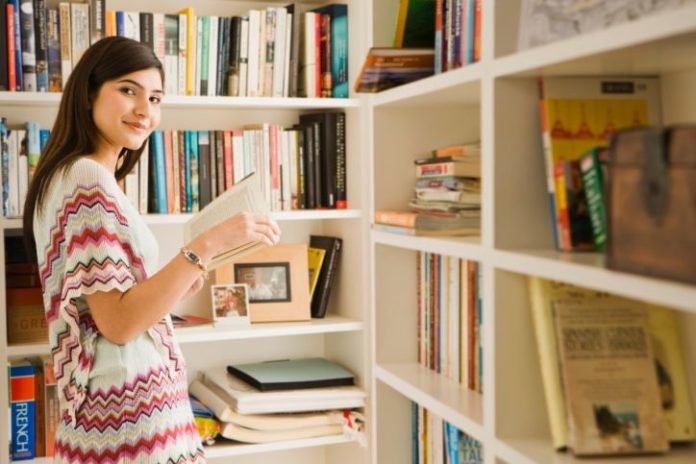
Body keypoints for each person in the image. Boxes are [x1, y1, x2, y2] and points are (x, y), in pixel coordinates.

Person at [23, 36, 281, 463]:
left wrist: (179, 281)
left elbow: (111, 306)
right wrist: (206, 244)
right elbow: (119, 323)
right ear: (88, 93)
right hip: (130, 414)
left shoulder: (68, 177)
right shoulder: (87, 178)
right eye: (128, 90)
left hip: (112, 410)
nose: (146, 110)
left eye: (156, 97)